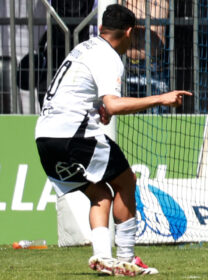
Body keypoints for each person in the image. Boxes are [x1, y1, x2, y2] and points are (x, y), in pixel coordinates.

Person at [34, 4, 192, 276]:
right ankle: (128, 258)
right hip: (74, 134)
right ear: (129, 31)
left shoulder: (84, 48)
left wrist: (98, 109)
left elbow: (75, 93)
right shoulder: (108, 56)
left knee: (100, 194)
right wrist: (161, 98)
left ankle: (103, 257)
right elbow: (115, 104)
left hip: (45, 137)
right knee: (127, 180)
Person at [124, 0, 170, 114]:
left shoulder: (160, 2)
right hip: (126, 65)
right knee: (122, 116)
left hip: (154, 66)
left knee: (158, 115)